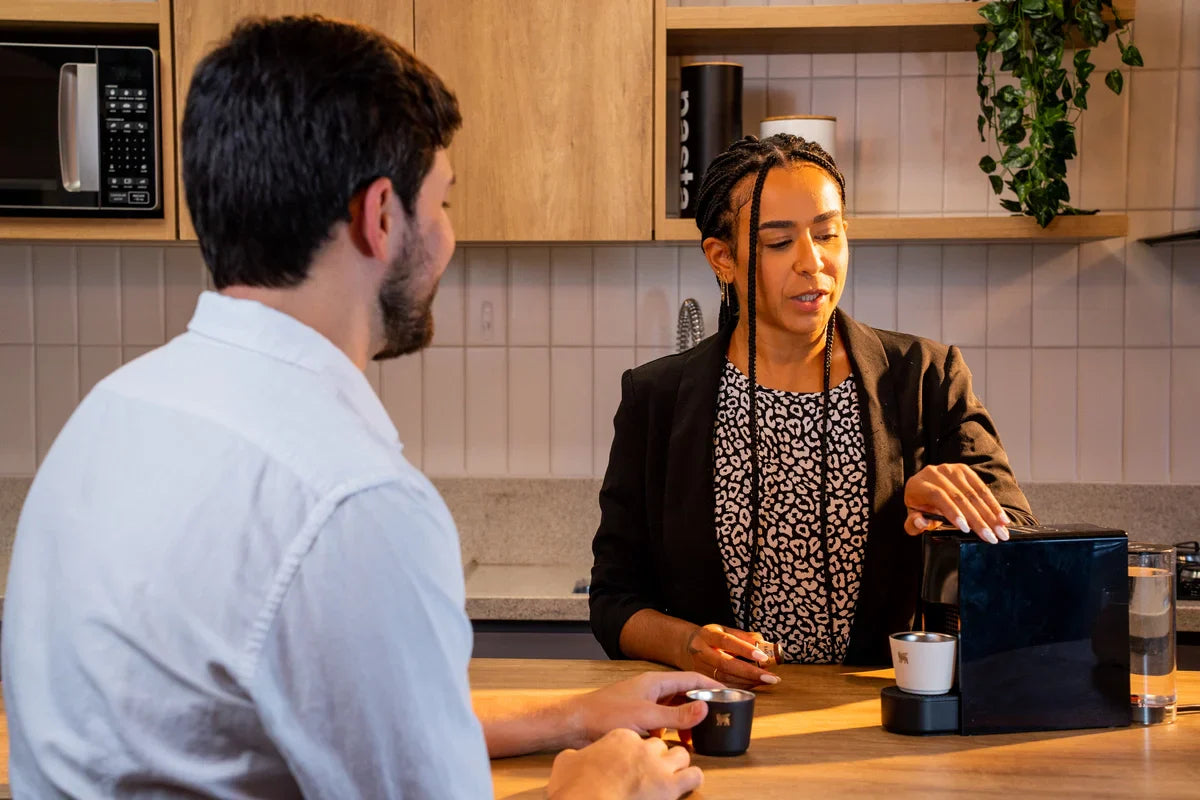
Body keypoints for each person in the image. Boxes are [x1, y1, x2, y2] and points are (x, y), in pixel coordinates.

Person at [1, 16, 716, 799]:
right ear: (380, 216)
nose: (445, 238)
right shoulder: (351, 503)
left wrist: (574, 717)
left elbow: (327, 727)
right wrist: (603, 785)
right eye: (441, 202)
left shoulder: (114, 412)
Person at [589, 134, 1036, 688]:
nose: (813, 261)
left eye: (828, 234)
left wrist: (948, 520)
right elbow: (614, 601)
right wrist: (687, 645)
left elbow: (1021, 556)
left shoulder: (924, 377)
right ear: (722, 257)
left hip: (875, 723)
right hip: (717, 719)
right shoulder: (655, 398)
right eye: (778, 243)